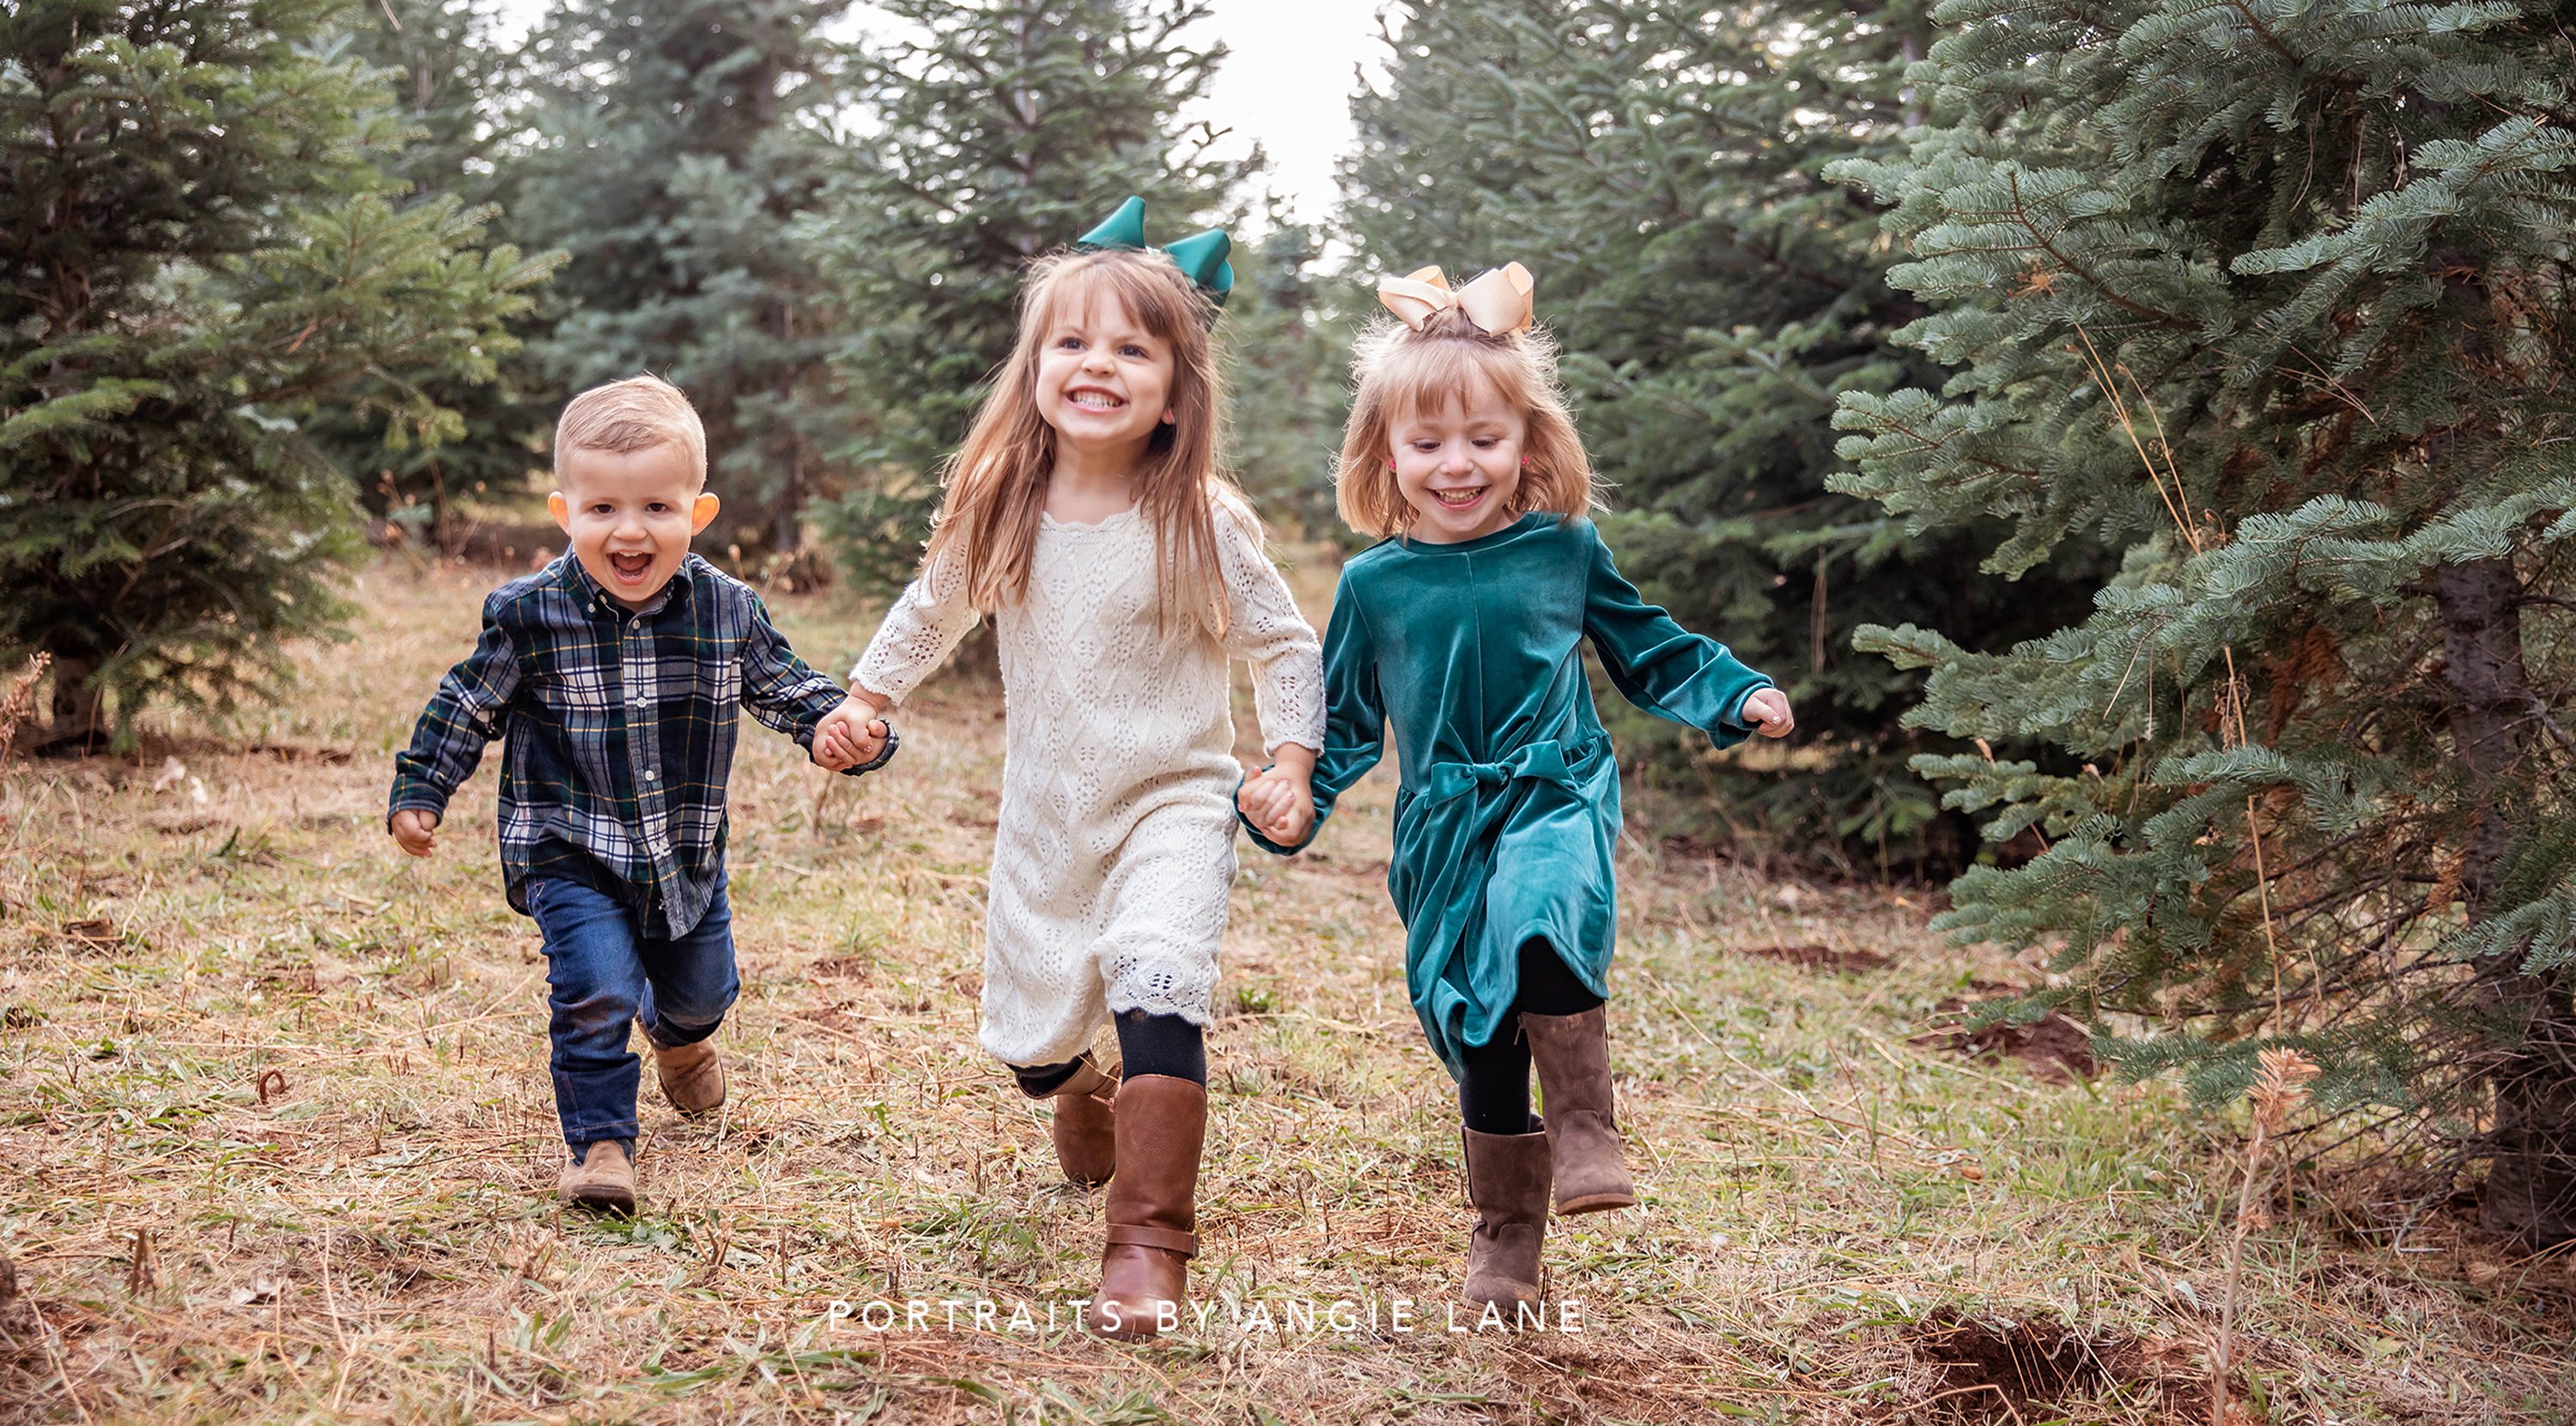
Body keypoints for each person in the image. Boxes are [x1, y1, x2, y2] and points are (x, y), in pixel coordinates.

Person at [1237, 264, 1795, 1311]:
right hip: (1444, 824)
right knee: (1476, 1022)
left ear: (1528, 445)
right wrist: (1293, 794)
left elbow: (1650, 649)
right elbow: (1344, 725)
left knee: (1543, 912)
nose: (1458, 465)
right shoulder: (1375, 584)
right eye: (1428, 442)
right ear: (1385, 453)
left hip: (1554, 789)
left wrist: (1735, 690)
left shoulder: (1566, 552)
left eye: (1484, 440)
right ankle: (1506, 1234)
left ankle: (1586, 1120)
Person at [829, 198, 1324, 1341]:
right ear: (1036, 362)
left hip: (1173, 800)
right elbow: (931, 606)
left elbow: (1283, 643)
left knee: (1159, 969)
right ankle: (1078, 1091)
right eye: (1072, 342)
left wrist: (1289, 761)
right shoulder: (1005, 496)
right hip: (1050, 813)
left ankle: (1150, 1243)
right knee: (1038, 1050)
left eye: (1132, 348)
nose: (1097, 364)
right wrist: (867, 697)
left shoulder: (1196, 518)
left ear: (1175, 386)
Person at [388, 374, 894, 1213]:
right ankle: (601, 1144)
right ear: (566, 511)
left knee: (701, 991)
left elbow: (788, 689)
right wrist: (424, 787)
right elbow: (466, 703)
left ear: (698, 514)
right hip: (569, 846)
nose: (629, 530)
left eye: (658, 507)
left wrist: (843, 731)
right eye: (603, 510)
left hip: (683, 852)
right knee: (594, 987)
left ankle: (681, 1038)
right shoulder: (528, 613)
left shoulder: (727, 610)